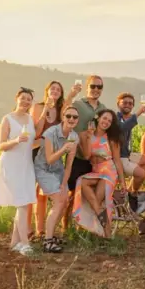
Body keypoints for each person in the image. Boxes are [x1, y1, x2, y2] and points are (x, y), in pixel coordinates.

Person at [29, 80, 81, 240]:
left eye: (58, 89)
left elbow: (69, 110)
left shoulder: (61, 110)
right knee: (35, 194)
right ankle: (34, 230)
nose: (55, 90)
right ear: (47, 90)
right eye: (53, 88)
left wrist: (73, 93)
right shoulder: (38, 107)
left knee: (46, 193)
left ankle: (44, 231)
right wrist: (45, 109)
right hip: (37, 150)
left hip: (54, 152)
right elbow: (35, 131)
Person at [0, 87, 38, 256]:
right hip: (11, 165)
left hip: (26, 165)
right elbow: (0, 146)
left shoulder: (30, 119)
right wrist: (16, 140)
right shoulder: (7, 119)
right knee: (22, 204)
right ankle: (25, 244)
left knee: (24, 202)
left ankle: (15, 242)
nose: (26, 101)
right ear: (17, 99)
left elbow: (30, 144)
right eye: (23, 98)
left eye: (29, 99)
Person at [72, 109, 126, 237]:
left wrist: (123, 181)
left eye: (109, 121)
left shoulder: (111, 139)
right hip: (96, 170)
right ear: (98, 118)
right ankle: (104, 229)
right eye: (104, 118)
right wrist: (88, 138)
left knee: (97, 198)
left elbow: (117, 161)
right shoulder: (85, 135)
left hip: (109, 171)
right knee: (81, 181)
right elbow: (86, 156)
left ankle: (105, 233)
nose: (106, 122)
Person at [66, 75, 109, 229]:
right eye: (93, 86)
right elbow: (64, 113)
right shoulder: (78, 103)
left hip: (93, 158)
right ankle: (66, 227)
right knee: (71, 193)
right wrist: (71, 94)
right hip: (77, 155)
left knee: (87, 193)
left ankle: (84, 226)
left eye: (99, 87)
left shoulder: (103, 108)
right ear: (87, 87)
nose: (96, 90)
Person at [115, 92, 145, 198]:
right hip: (120, 157)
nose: (127, 105)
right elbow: (122, 128)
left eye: (130, 103)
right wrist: (138, 113)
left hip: (128, 154)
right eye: (124, 103)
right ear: (118, 104)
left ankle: (131, 190)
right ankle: (133, 195)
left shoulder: (128, 119)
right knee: (142, 174)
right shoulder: (115, 118)